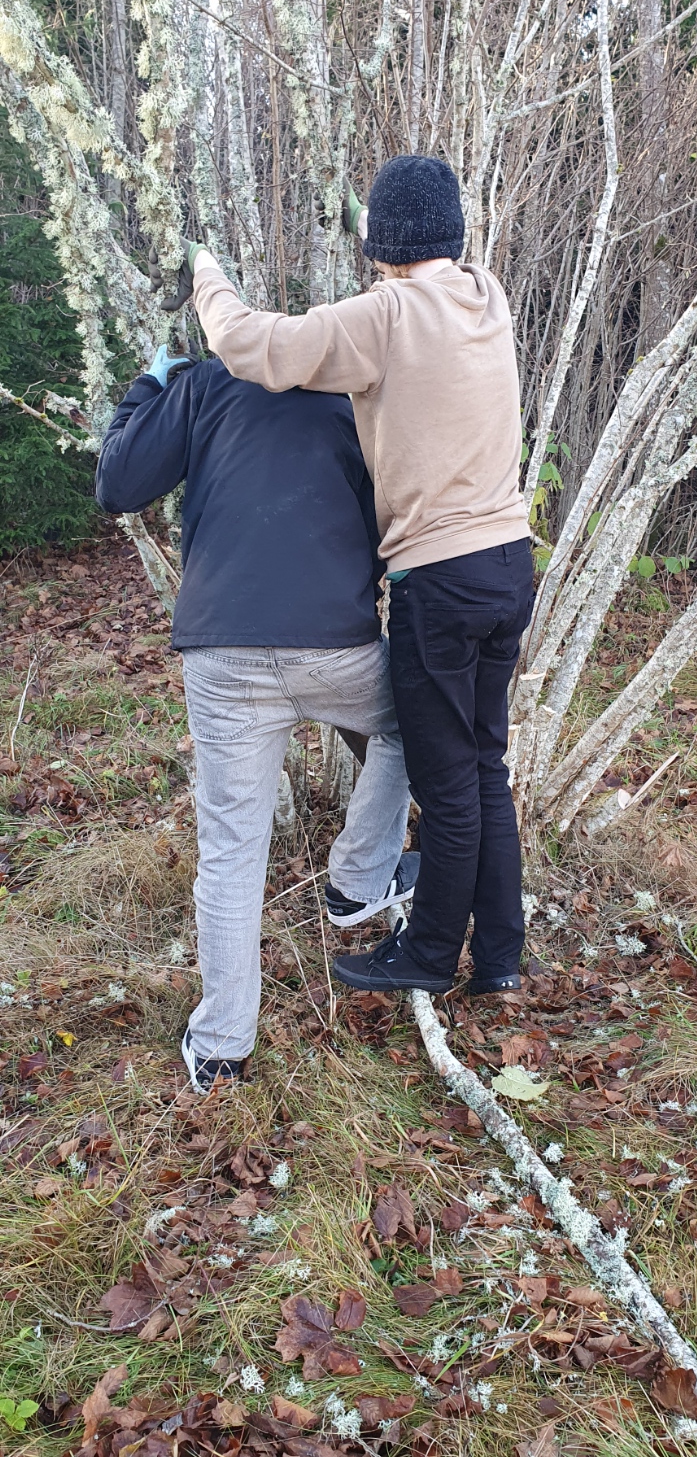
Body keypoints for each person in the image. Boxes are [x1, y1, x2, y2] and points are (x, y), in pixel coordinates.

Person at [154, 153, 533, 1000]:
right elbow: (418, 265)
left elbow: (251, 345)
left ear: (382, 249)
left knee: (446, 781)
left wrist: (207, 274)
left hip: (441, 578)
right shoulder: (487, 296)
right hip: (510, 564)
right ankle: (500, 957)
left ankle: (429, 952)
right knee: (484, 765)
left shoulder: (384, 315)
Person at [96, 342, 417, 1091]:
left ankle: (220, 1048)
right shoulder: (354, 392)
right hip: (335, 644)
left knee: (232, 851)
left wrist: (148, 384)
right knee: (416, 720)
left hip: (224, 651)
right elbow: (398, 516)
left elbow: (118, 483)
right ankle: (358, 881)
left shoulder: (209, 381)